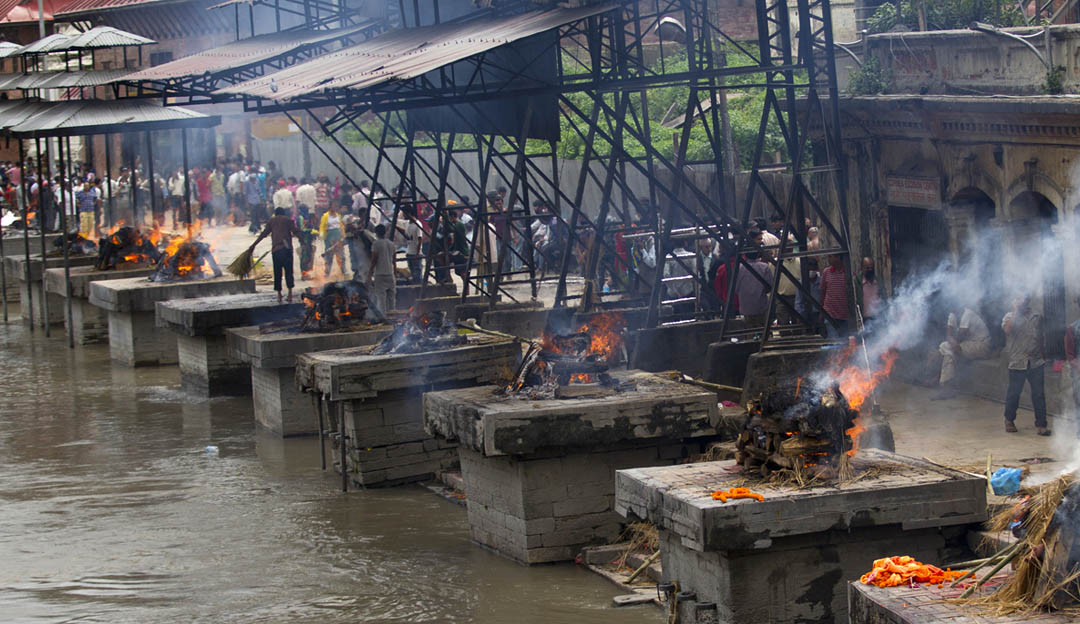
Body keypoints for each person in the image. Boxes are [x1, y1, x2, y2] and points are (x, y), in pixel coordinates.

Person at [1002, 295, 1050, 435]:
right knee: (1014, 393)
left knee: (1038, 394)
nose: (1022, 302)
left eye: (1024, 299)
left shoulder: (1037, 317)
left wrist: (1044, 355)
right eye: (1019, 299)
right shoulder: (1009, 316)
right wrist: (1015, 310)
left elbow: (1040, 337)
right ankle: (1009, 420)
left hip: (1036, 361)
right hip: (1018, 361)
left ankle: (1041, 424)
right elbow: (1007, 329)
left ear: (1028, 301)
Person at [929, 307, 992, 399]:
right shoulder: (952, 314)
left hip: (981, 344)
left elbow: (960, 337)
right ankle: (942, 381)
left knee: (947, 349)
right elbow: (949, 336)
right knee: (946, 348)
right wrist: (952, 342)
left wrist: (952, 342)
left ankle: (946, 387)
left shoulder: (968, 314)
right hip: (964, 343)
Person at [250, 206, 297, 303]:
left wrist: (253, 245)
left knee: (277, 273)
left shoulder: (271, 221)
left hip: (276, 251)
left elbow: (263, 234)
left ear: (275, 214)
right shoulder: (288, 220)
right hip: (287, 250)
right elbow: (296, 231)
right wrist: (303, 241)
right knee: (289, 272)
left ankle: (279, 295)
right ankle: (290, 294)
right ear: (283, 213)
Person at [733, 251, 774, 329]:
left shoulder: (739, 268)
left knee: (749, 332)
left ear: (745, 255)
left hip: (745, 308)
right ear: (758, 254)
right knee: (763, 331)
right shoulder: (765, 267)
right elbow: (769, 287)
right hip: (761, 306)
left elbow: (735, 288)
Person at [368, 223, 397, 315]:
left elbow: (374, 260)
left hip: (380, 274)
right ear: (385, 232)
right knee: (391, 298)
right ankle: (392, 316)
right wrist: (395, 273)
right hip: (390, 274)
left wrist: (369, 274)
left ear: (376, 233)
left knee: (381, 298)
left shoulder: (376, 244)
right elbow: (394, 261)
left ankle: (383, 316)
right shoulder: (391, 244)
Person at [819, 254, 849, 337]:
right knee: (834, 340)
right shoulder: (826, 272)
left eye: (830, 256)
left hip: (845, 315)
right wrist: (821, 312)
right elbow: (822, 292)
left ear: (838, 257)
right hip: (830, 314)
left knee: (846, 341)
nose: (828, 259)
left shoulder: (848, 272)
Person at [319, 204, 346, 277]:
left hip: (338, 235)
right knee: (329, 254)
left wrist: (343, 235)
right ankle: (327, 272)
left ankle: (343, 271)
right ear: (330, 207)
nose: (335, 208)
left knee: (341, 254)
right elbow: (322, 226)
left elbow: (341, 226)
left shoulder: (338, 216)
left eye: (336, 207)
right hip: (329, 235)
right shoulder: (325, 216)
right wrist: (321, 235)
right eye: (333, 206)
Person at [404, 207, 423, 284]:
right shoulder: (407, 223)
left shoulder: (418, 224)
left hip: (415, 253)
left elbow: (420, 239)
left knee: (417, 273)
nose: (403, 215)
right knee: (413, 273)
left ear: (409, 213)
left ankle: (419, 287)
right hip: (409, 252)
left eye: (404, 213)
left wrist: (417, 254)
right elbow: (407, 235)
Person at [861, 257, 881, 323]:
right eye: (867, 268)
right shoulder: (857, 283)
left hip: (878, 318)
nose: (870, 270)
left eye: (871, 268)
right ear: (862, 268)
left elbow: (883, 298)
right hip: (863, 320)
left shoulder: (878, 282)